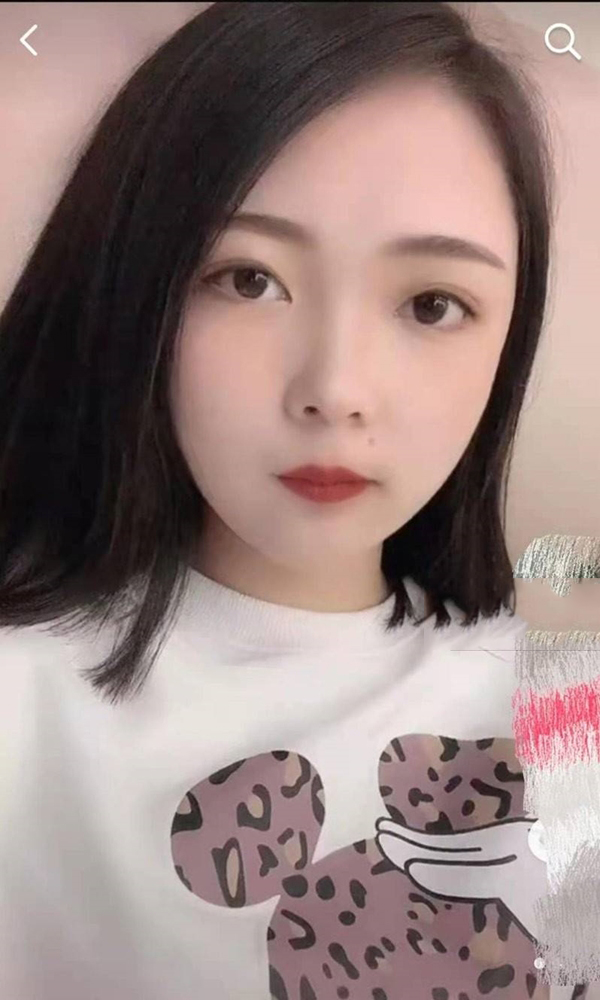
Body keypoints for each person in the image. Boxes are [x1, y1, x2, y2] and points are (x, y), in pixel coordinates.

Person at [0, 2, 584, 998]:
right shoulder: (23, 711)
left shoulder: (567, 714)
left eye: (433, 304)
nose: (336, 388)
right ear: (136, 286)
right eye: (249, 279)